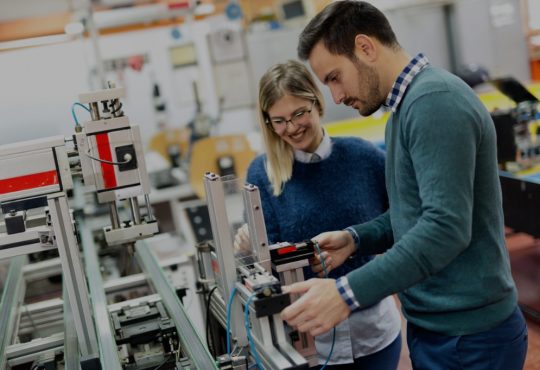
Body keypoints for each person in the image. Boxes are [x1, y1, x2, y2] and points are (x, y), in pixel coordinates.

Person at [280, 2, 528, 370]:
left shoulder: (434, 102)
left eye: (335, 77)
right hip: (441, 331)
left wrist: (346, 294)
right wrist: (356, 238)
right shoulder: (404, 111)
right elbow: (413, 214)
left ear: (365, 48)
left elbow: (444, 229)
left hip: (470, 339)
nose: (336, 96)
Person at [241, 60, 402, 369]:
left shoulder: (363, 157)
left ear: (317, 101)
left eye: (299, 113)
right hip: (308, 340)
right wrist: (249, 245)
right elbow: (265, 259)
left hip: (373, 332)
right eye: (279, 120)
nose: (291, 128)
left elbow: (401, 221)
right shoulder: (262, 174)